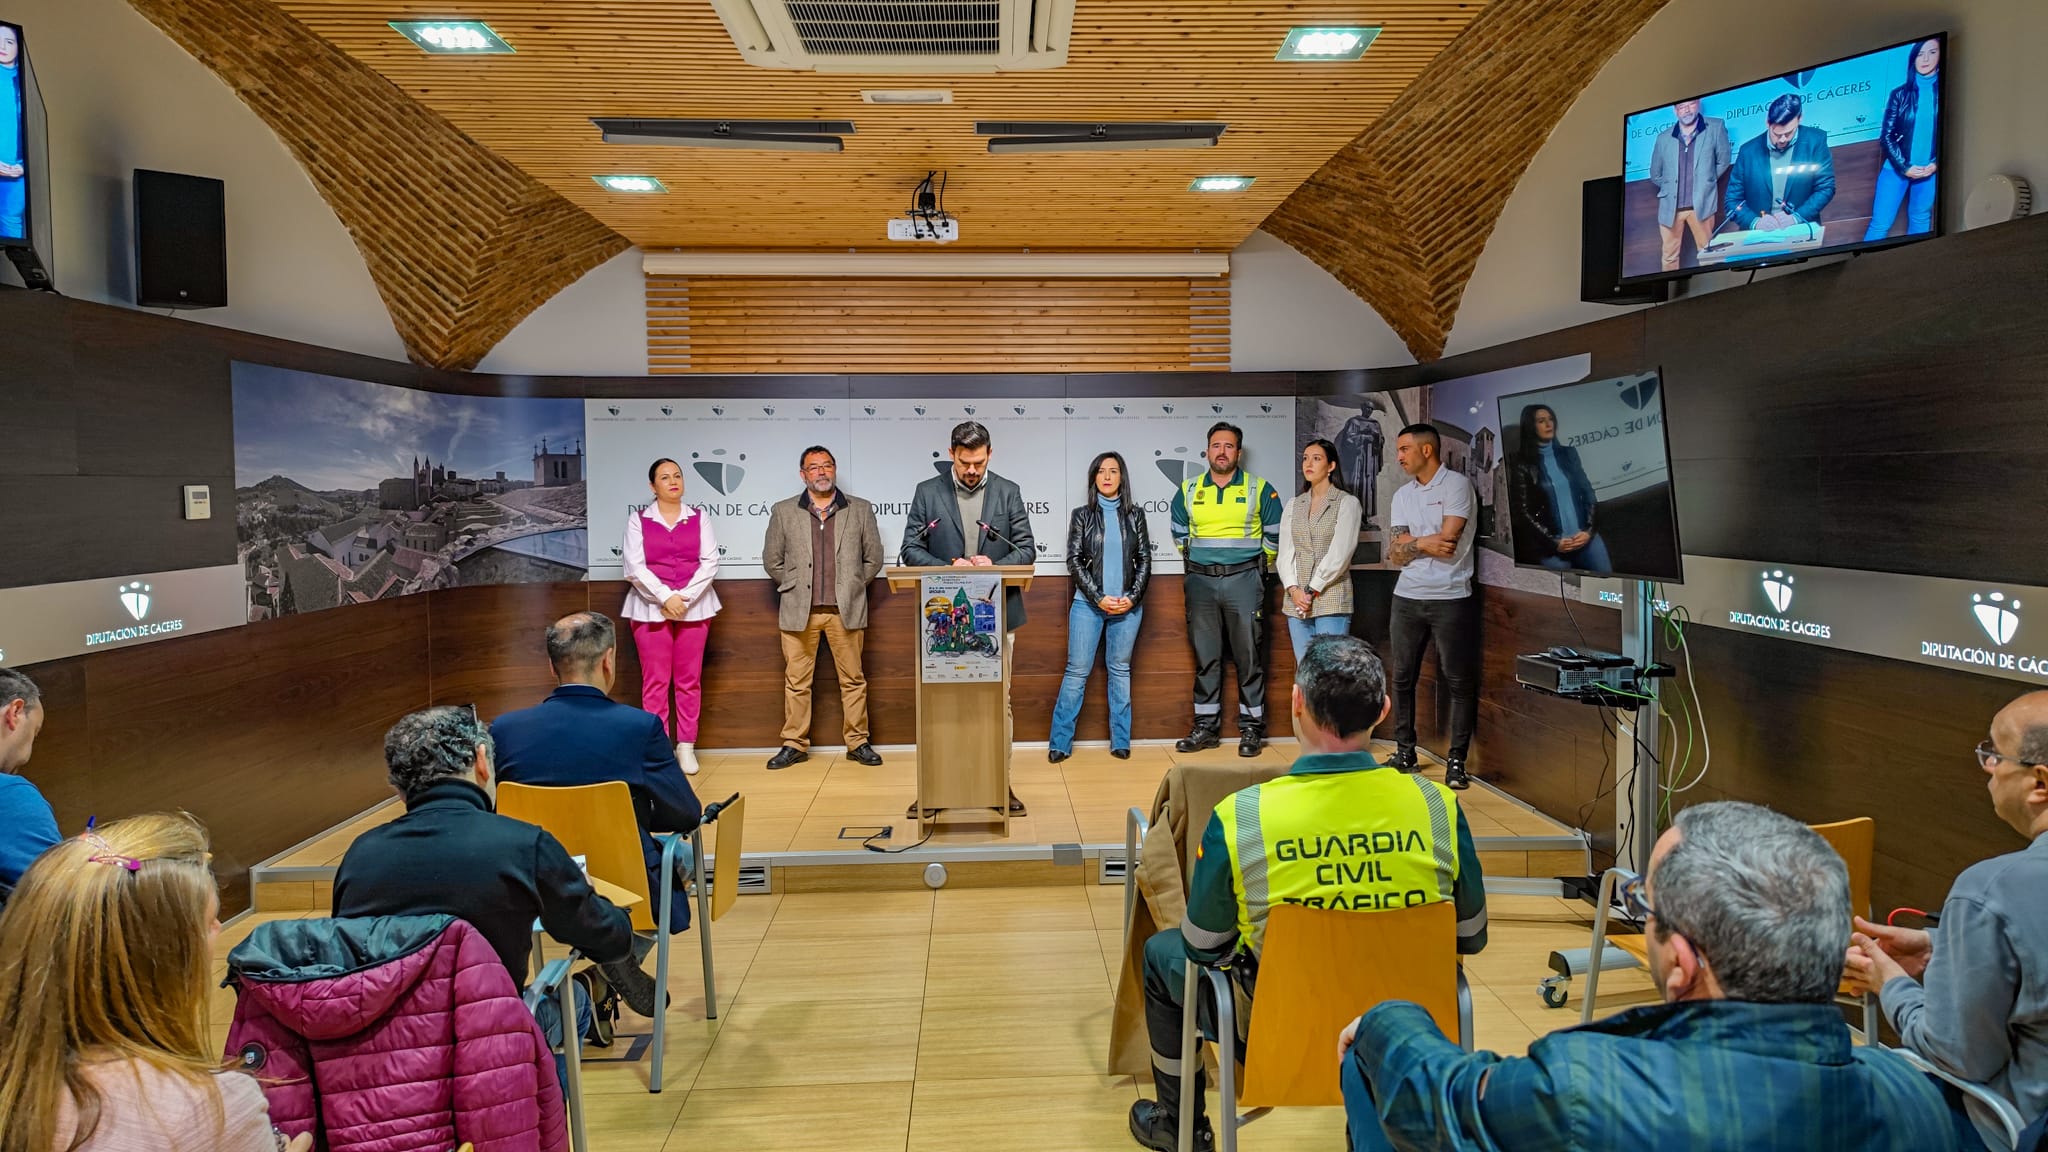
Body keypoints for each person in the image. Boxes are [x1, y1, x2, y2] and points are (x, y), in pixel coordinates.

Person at [1341, 801, 1962, 1152]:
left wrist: (1386, 1018)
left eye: (1644, 907)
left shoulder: (1588, 1092)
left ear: (1682, 964)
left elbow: (1436, 1096)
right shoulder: (1914, 1099)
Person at [1128, 635, 1487, 1152]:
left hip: (1280, 1034)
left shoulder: (1241, 815)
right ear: (1384, 710)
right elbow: (1470, 937)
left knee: (1162, 954)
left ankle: (1180, 1124)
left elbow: (1204, 945)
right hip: (1412, 1030)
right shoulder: (1438, 806)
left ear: (1297, 703)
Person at [0, 813, 313, 1152]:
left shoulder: (17, 1085)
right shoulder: (215, 1108)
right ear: (161, 962)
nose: (219, 929)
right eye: (207, 922)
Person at [332, 707, 641, 1047]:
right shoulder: (523, 845)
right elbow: (610, 940)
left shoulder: (360, 856)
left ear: (400, 788)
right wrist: (592, 899)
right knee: (576, 1002)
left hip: (387, 1047)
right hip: (488, 1039)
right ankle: (540, 1100)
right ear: (482, 760)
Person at [1846, 690, 2048, 1151]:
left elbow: (1959, 1056)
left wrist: (1889, 981)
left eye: (1994, 755)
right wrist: (1941, 946)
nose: (1988, 768)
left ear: (2039, 783)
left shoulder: (1989, 890)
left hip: (2007, 1129)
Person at [492, 610, 703, 999]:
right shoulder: (639, 727)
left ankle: (596, 981)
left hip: (530, 881)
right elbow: (686, 813)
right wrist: (628, 815)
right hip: (623, 878)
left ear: (551, 667)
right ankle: (611, 966)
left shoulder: (504, 729)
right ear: (608, 661)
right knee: (683, 859)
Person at [901, 420, 1037, 814]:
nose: (972, 470)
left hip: (996, 615)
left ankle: (999, 784)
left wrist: (993, 563)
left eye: (978, 462)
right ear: (952, 455)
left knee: (998, 703)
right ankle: (935, 787)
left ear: (990, 454)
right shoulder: (928, 493)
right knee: (937, 702)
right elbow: (911, 548)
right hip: (942, 619)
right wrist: (950, 563)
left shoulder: (1008, 492)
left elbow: (1025, 550)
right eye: (964, 463)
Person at [761, 445, 886, 770]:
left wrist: (854, 585)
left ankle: (858, 742)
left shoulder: (860, 509)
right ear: (803, 475)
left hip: (845, 610)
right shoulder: (784, 511)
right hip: (798, 610)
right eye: (814, 467)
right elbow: (772, 560)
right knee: (797, 682)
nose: (821, 472)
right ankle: (794, 744)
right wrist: (792, 586)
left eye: (827, 466)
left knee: (853, 681)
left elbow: (873, 558)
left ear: (834, 469)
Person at [1171, 421, 1283, 758]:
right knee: (1207, 658)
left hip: (1245, 581)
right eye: (1216, 445)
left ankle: (1251, 730)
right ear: (1207, 451)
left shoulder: (1259, 488)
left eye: (1229, 446)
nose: (1222, 452)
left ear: (1239, 452)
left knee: (1250, 658)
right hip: (1201, 582)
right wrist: (1204, 564)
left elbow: (1274, 534)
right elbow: (1179, 533)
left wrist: (1252, 567)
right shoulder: (1189, 489)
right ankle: (1206, 728)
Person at [1387, 423, 1477, 790]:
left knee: (1457, 681)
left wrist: (1413, 542)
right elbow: (1395, 554)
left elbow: (1449, 541)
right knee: (1402, 677)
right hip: (1406, 595)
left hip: (1451, 597)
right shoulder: (1401, 495)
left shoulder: (1456, 485)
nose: (1399, 457)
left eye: (1404, 449)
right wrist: (1423, 542)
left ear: (1427, 450)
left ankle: (1457, 761)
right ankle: (1405, 752)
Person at [1047, 451, 1152, 762]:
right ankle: (1060, 743)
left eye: (1114, 471)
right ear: (1093, 477)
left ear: (1122, 477)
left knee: (1120, 672)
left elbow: (1145, 559)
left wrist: (1132, 597)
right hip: (1088, 607)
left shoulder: (1136, 515)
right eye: (1101, 471)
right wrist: (1098, 597)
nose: (1107, 476)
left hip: (1127, 607)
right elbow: (1074, 561)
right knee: (1076, 673)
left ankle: (1121, 741)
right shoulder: (1082, 515)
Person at [622, 456, 721, 776]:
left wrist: (684, 598)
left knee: (689, 681)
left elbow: (710, 562)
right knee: (655, 682)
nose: (673, 481)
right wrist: (666, 597)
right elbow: (634, 567)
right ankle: (660, 750)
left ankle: (686, 746)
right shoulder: (638, 520)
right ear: (653, 486)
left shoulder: (699, 517)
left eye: (677, 475)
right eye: (664, 477)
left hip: (695, 608)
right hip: (649, 608)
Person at [1277, 438, 1363, 662]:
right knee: (1305, 669)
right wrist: (1294, 590)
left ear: (1331, 466)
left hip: (1330, 595)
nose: (1309, 464)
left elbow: (1340, 554)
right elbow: (1284, 554)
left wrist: (1312, 590)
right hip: (1296, 600)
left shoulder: (1346, 503)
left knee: (1330, 671)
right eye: (1305, 458)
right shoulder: (1294, 504)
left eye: (1316, 459)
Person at [1508, 403, 1613, 573]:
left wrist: (1588, 531)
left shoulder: (1569, 453)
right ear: (1530, 426)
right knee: (1562, 593)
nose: (1549, 424)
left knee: (1608, 583)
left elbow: (1588, 494)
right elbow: (1521, 511)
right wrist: (1552, 542)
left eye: (1551, 419)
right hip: (1551, 547)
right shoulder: (1521, 463)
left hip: (1585, 539)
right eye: (1541, 421)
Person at [1864, 37, 1942, 242]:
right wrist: (1905, 167)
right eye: (1920, 53)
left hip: (1929, 172)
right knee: (1880, 225)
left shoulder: (1945, 91)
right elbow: (1887, 136)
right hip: (1896, 170)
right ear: (1913, 58)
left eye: (1932, 52)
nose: (1925, 59)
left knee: (1920, 220)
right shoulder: (1899, 94)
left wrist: (1934, 164)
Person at [1726, 93, 1836, 233]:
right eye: (1777, 134)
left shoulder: (1815, 141)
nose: (1783, 139)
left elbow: (1826, 188)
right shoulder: (1748, 152)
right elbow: (1732, 201)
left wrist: (1796, 217)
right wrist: (1755, 222)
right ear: (1768, 123)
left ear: (1799, 119)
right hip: (1758, 235)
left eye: (1789, 133)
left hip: (1801, 230)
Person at [1649, 97, 1732, 271]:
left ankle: (1713, 296)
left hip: (1701, 205)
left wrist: (1706, 181)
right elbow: (1655, 174)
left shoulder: (1715, 127)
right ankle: (1671, 295)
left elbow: (1723, 161)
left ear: (1698, 104)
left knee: (1707, 254)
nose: (1686, 110)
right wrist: (1670, 188)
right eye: (1681, 107)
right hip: (1670, 208)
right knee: (1669, 256)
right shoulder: (1663, 137)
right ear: (1675, 110)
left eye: (1690, 104)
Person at [0, 666, 57, 901]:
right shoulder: (11, 796)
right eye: (35, 732)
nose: (28, 754)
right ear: (15, 712)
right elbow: (60, 901)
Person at [0, 25, 24, 241]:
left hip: (17, 173)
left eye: (9, 41)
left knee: (10, 224)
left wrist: (23, 166)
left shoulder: (23, 84)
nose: (2, 46)